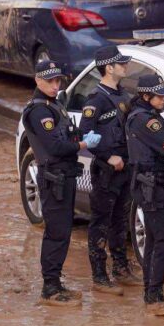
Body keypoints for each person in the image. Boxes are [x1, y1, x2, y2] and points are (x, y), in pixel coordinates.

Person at [21, 60, 101, 306]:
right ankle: (50, 289)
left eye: (58, 81)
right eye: (50, 81)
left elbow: (64, 134)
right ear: (38, 81)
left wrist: (78, 137)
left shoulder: (54, 106)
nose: (55, 86)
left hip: (64, 175)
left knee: (64, 231)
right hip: (53, 177)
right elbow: (55, 146)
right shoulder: (39, 111)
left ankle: (55, 283)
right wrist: (83, 145)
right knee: (56, 232)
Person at [79, 46, 140, 296]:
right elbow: (86, 134)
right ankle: (99, 276)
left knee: (119, 220)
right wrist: (106, 155)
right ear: (108, 67)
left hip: (126, 166)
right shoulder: (96, 99)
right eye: (120, 64)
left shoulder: (123, 94)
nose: (125, 67)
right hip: (106, 170)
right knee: (100, 222)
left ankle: (121, 268)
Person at [125, 74, 164, 316]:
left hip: (148, 184)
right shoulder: (145, 120)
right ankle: (154, 298)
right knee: (162, 240)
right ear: (146, 96)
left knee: (152, 239)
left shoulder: (149, 116)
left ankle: (150, 293)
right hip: (149, 184)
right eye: (159, 96)